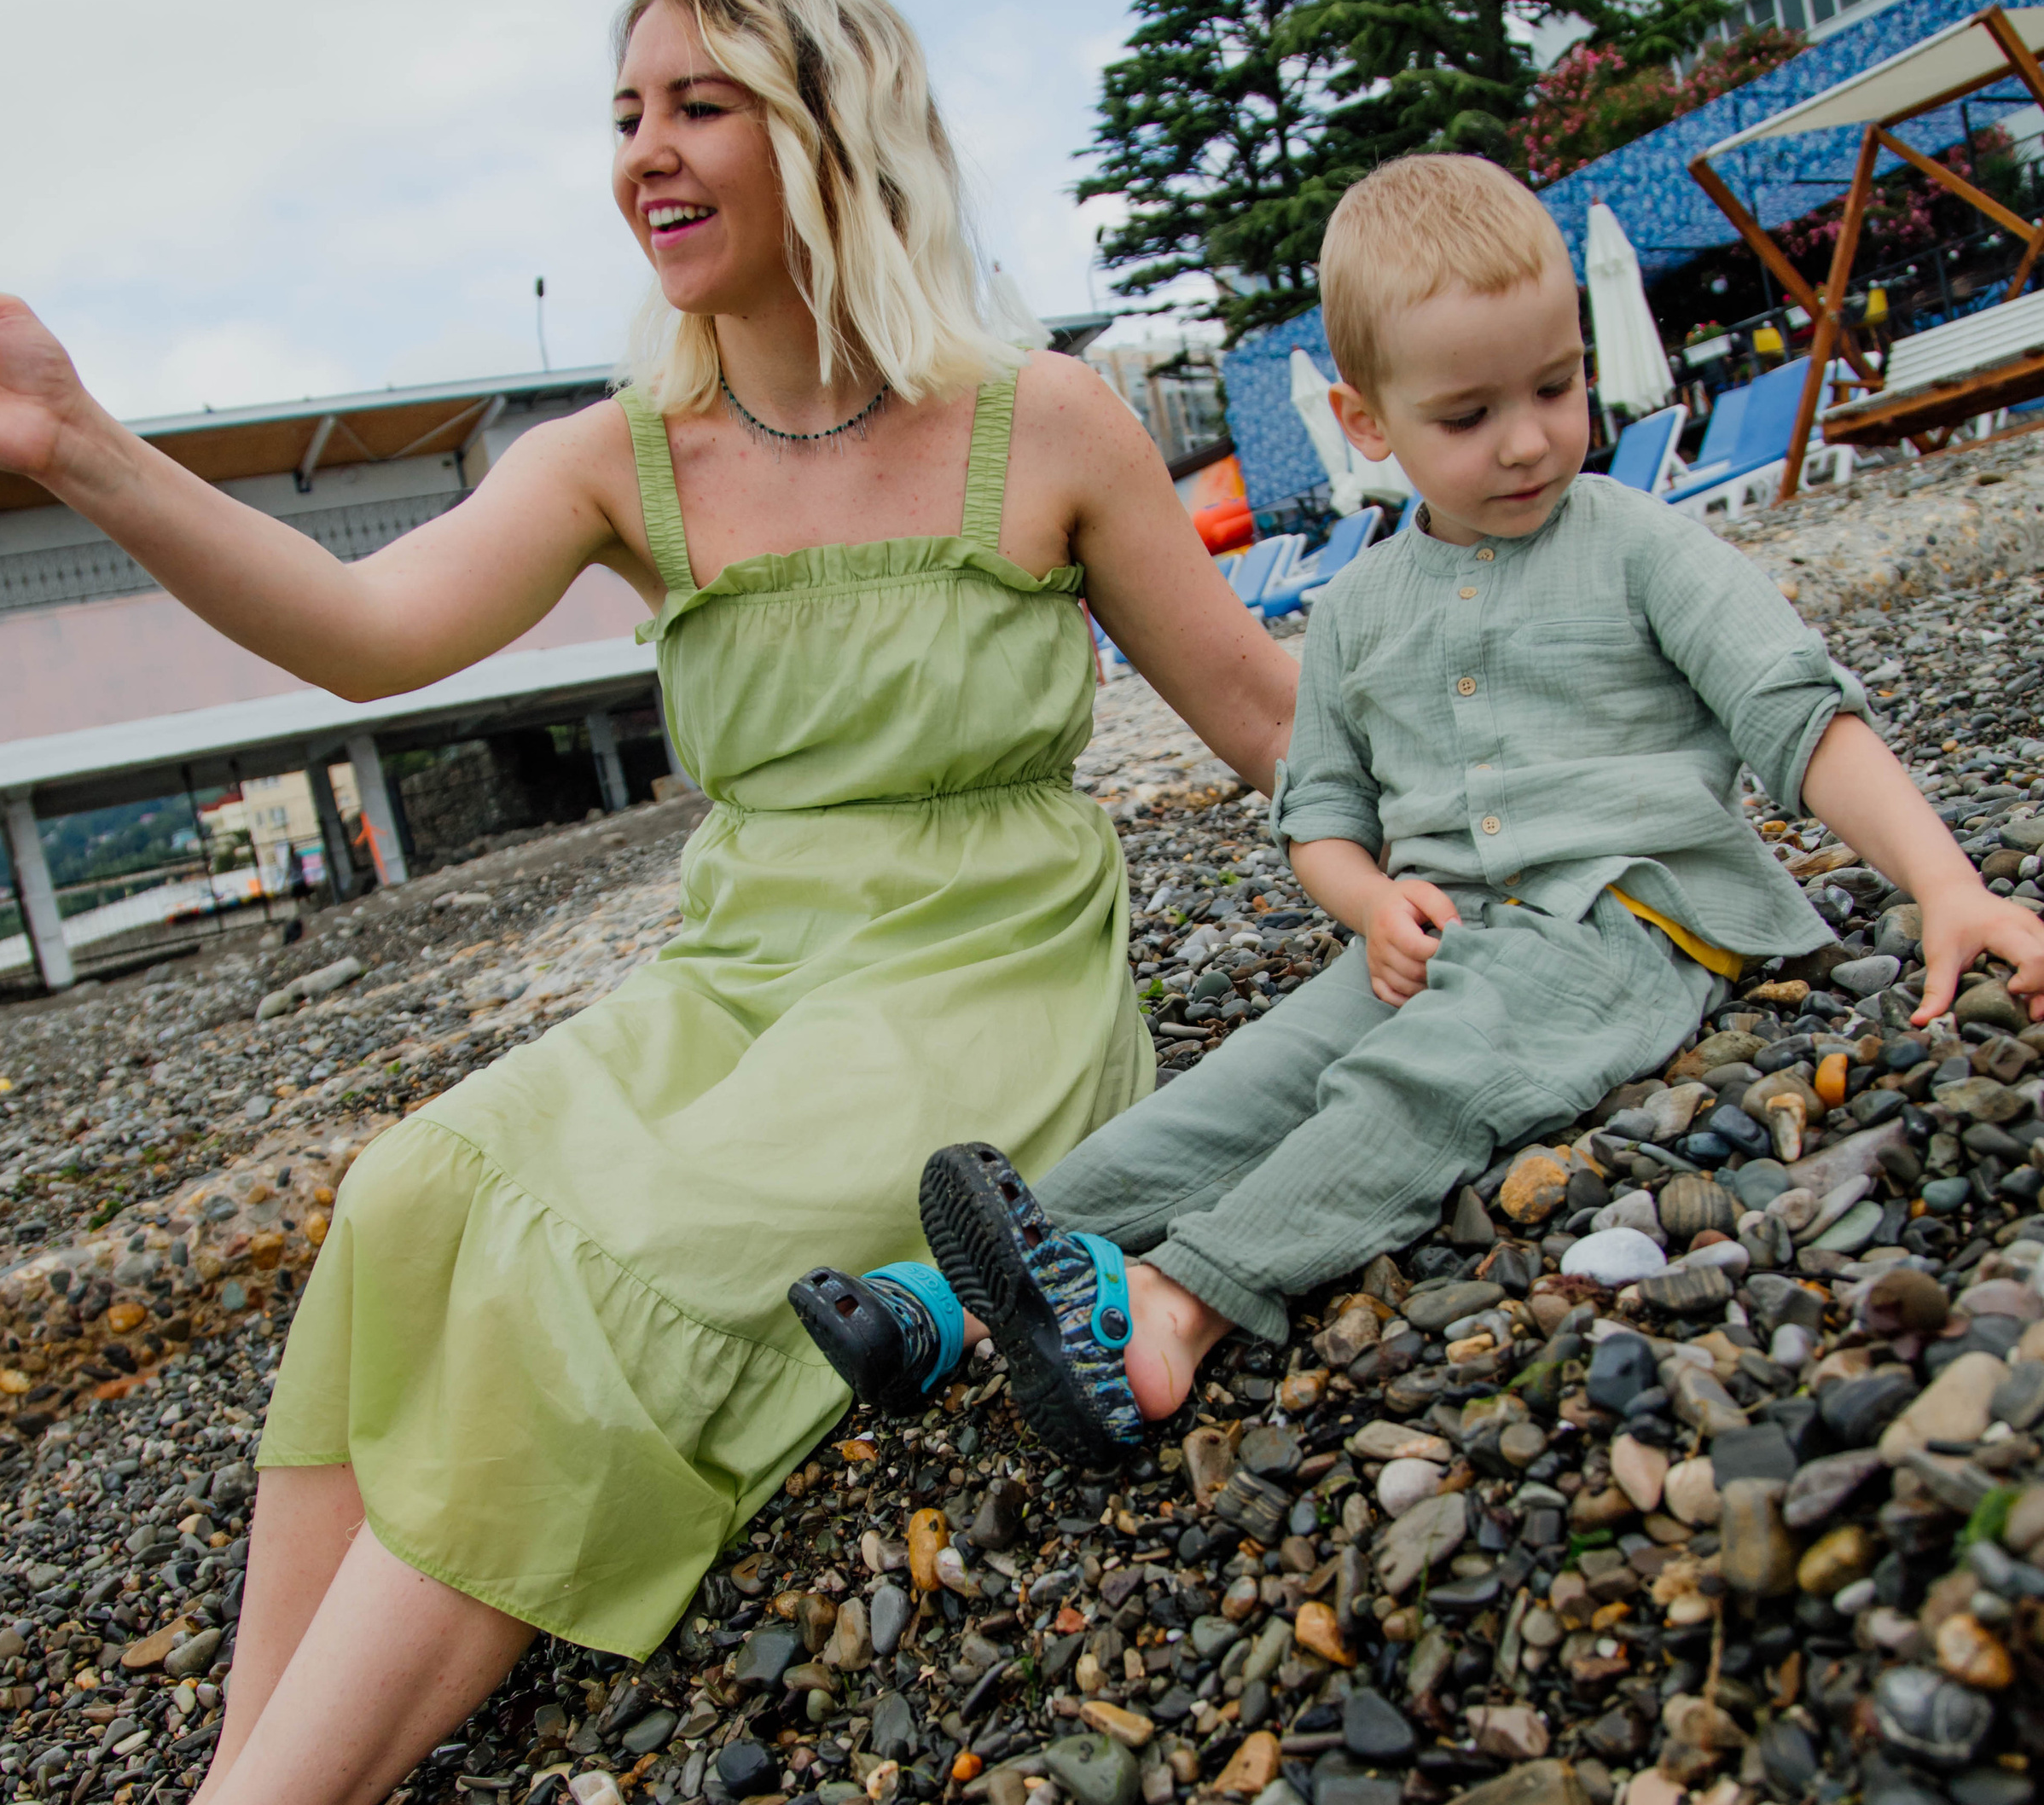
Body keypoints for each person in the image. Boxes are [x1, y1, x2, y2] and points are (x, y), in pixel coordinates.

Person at [0, 0, 1296, 1805]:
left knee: (602, 1272)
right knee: (415, 1195)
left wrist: (1485, 858)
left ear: (831, 126)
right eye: (626, 111)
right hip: (742, 964)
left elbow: (1267, 718)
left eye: (699, 103)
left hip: (980, 978)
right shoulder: (626, 455)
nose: (645, 152)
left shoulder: (1046, 424)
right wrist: (78, 446)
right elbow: (366, 633)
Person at [822, 151, 2044, 1467]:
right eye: (1468, 415)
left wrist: (1946, 883)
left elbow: (1798, 714)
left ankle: (1174, 1306)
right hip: (1433, 931)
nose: (1527, 438)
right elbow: (1319, 813)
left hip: (1625, 918)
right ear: (1368, 422)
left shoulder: (1636, 543)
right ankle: (962, 1298)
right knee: (1247, 1081)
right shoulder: (1355, 611)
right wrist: (1366, 900)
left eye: (1557, 387)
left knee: (1417, 1086)